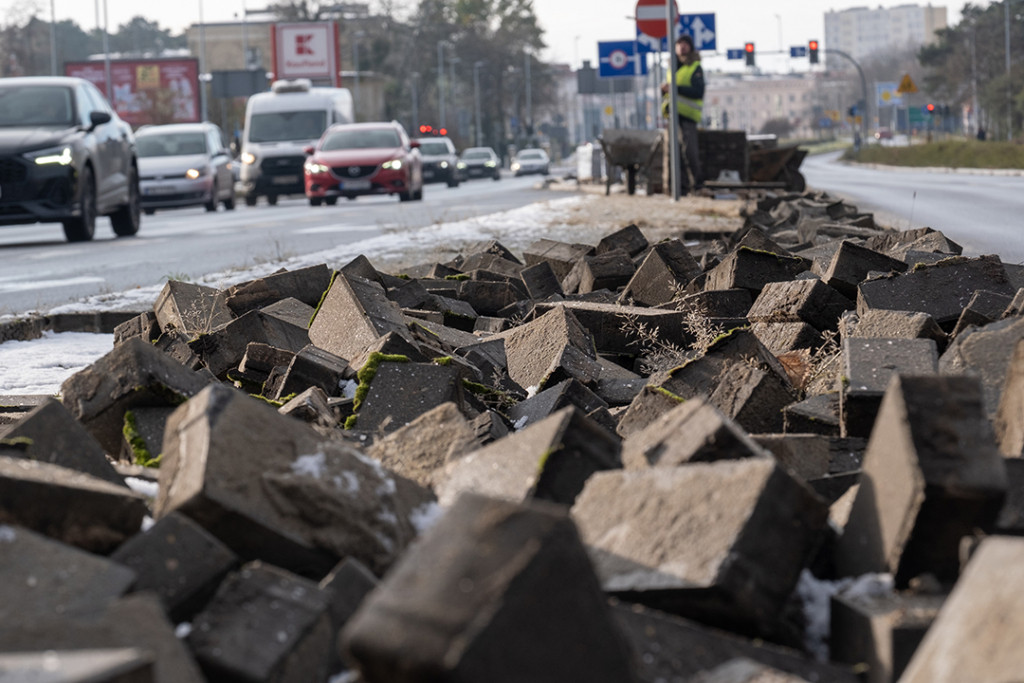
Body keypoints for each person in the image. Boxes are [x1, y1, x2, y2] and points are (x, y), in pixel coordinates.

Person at [660, 33, 704, 194]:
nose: (682, 47)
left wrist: (674, 88)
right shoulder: (672, 68)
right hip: (673, 116)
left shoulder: (694, 67)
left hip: (688, 117)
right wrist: (664, 91)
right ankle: (680, 188)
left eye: (685, 44)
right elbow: (668, 94)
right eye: (679, 44)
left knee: (689, 152)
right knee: (673, 154)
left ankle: (697, 185)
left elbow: (698, 91)